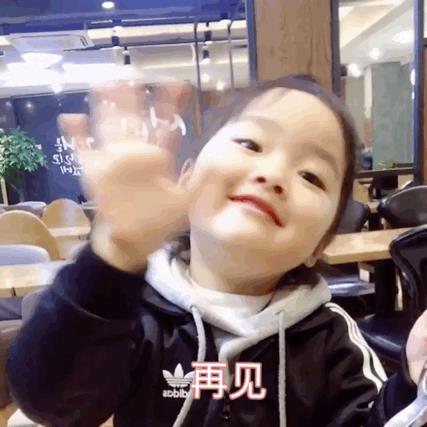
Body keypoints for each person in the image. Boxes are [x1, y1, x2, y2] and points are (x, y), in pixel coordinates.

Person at [6, 76, 425, 427]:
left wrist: (410, 381)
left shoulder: (331, 341)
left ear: (319, 245)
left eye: (311, 176)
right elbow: (52, 402)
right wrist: (115, 251)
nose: (273, 174)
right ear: (187, 178)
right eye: (251, 144)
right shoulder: (133, 315)